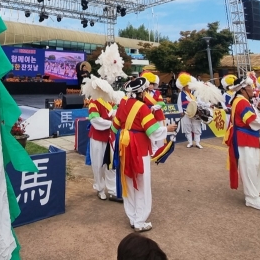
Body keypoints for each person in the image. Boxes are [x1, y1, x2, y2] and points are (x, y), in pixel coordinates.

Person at [112, 77, 177, 232]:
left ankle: (133, 217)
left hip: (124, 148)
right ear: (141, 92)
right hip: (139, 149)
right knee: (141, 183)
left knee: (128, 182)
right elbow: (153, 132)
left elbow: (114, 128)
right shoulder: (142, 108)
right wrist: (167, 130)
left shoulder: (123, 104)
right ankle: (140, 221)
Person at [224, 77, 260, 211]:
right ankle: (251, 198)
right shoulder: (241, 102)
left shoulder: (242, 101)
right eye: (251, 87)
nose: (253, 89)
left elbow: (252, 118)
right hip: (244, 139)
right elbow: (251, 121)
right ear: (243, 89)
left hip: (247, 139)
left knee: (254, 167)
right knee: (250, 169)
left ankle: (254, 195)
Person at [81, 75, 121, 202]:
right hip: (98, 138)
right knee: (98, 165)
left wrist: (115, 118)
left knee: (111, 165)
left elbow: (117, 114)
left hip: (111, 138)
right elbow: (95, 121)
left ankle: (113, 190)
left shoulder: (111, 101)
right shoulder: (93, 102)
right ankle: (100, 188)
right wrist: (112, 123)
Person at [175, 73, 203, 149]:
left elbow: (200, 102)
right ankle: (190, 142)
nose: (188, 87)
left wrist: (208, 105)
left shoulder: (195, 93)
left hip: (195, 113)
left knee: (196, 127)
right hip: (186, 113)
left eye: (189, 85)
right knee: (187, 127)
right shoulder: (181, 94)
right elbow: (179, 104)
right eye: (186, 85)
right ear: (184, 86)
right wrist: (181, 111)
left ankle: (197, 142)